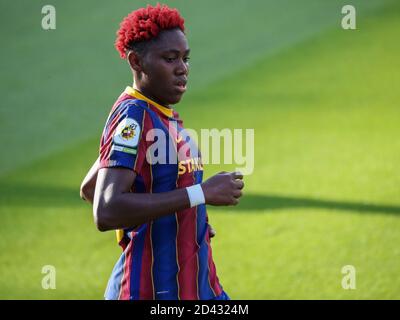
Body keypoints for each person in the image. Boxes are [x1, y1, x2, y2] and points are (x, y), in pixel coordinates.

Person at [80, 4, 244, 300]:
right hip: (152, 291)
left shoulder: (160, 114)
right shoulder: (133, 117)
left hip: (196, 283)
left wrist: (187, 219)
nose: (182, 68)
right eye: (170, 59)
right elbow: (105, 209)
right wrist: (200, 195)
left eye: (185, 58)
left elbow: (91, 185)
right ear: (137, 61)